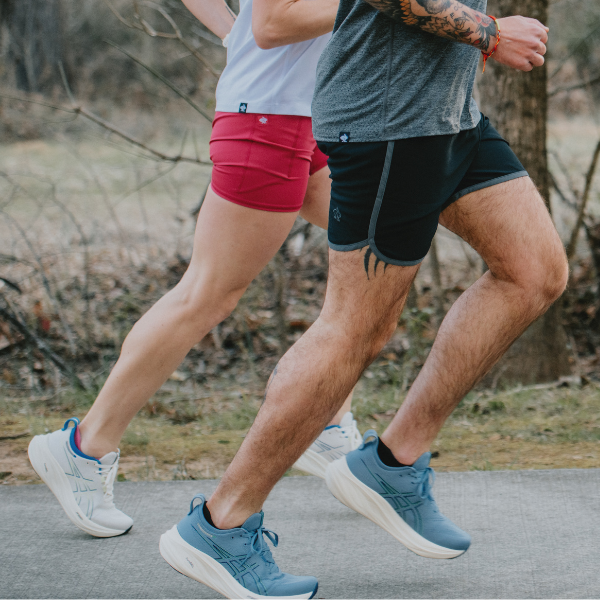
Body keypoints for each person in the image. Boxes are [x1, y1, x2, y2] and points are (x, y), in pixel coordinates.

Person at [156, 0, 569, 597]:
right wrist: (490, 33)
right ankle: (220, 525)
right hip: (388, 122)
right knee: (353, 331)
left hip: (449, 113)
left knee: (534, 272)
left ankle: (391, 466)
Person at [28, 0, 358, 564]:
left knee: (366, 242)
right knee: (205, 294)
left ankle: (326, 416)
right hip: (267, 121)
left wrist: (236, 33)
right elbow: (277, 22)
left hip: (303, 116)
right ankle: (84, 447)